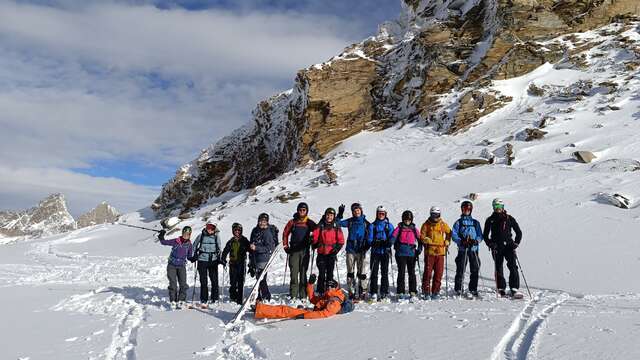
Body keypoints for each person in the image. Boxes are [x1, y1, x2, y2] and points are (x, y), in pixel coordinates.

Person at [255, 275, 349, 320]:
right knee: (285, 309)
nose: (327, 288)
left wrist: (304, 315)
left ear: (335, 287)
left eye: (330, 287)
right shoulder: (329, 295)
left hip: (311, 314)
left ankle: (260, 310)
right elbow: (313, 299)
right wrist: (310, 284)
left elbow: (323, 314)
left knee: (286, 310)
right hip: (311, 311)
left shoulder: (335, 301)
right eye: (327, 286)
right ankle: (261, 309)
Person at [483, 198, 523, 298]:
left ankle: (514, 288)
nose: (498, 209)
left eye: (499, 207)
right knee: (498, 267)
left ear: (503, 207)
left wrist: (516, 243)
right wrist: (490, 244)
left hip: (509, 246)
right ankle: (501, 288)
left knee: (513, 266)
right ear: (493, 207)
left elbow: (518, 232)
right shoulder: (490, 220)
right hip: (496, 247)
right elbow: (485, 235)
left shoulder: (509, 218)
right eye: (496, 207)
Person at [337, 202, 373, 300]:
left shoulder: (366, 223)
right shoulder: (350, 221)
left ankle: (363, 290)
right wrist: (339, 214)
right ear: (352, 212)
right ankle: (351, 291)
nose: (357, 212)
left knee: (362, 272)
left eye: (358, 210)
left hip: (361, 250)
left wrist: (367, 245)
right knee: (350, 272)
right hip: (351, 250)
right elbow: (337, 223)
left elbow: (370, 236)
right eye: (354, 210)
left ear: (361, 210)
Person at [282, 202, 317, 299]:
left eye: (304, 210)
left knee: (303, 273)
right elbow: (285, 234)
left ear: (306, 211)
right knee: (294, 273)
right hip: (294, 251)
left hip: (305, 251)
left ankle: (303, 295)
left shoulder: (309, 222)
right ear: (297, 210)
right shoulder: (292, 222)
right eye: (300, 210)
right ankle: (293, 294)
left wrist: (313, 241)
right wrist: (286, 246)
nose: (302, 211)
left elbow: (318, 232)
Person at [452, 201, 484, 297]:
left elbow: (480, 235)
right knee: (461, 269)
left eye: (468, 209)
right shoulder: (459, 222)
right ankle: (458, 288)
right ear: (462, 210)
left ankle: (473, 288)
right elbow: (454, 235)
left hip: (473, 249)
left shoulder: (475, 222)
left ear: (471, 210)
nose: (467, 211)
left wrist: (476, 241)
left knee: (475, 269)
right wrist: (461, 241)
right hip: (463, 249)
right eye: (465, 209)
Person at [419, 206, 452, 299]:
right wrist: (425, 239)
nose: (435, 217)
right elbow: (422, 235)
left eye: (436, 215)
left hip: (440, 252)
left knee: (438, 274)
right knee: (428, 273)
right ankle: (426, 292)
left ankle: (435, 292)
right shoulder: (426, 224)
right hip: (430, 252)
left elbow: (449, 232)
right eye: (433, 215)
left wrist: (447, 241)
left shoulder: (442, 224)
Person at [158, 226, 194, 309]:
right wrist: (161, 236)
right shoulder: (176, 241)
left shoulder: (189, 245)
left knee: (183, 284)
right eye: (184, 234)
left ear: (190, 235)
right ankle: (173, 301)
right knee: (173, 284)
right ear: (182, 233)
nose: (186, 236)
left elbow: (189, 256)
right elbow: (164, 242)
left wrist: (192, 258)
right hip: (172, 265)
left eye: (188, 234)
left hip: (181, 266)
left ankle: (181, 300)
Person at [311, 208, 345, 294]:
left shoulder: (336, 226)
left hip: (331, 254)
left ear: (333, 216)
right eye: (328, 215)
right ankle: (320, 290)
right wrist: (313, 242)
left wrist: (336, 249)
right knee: (322, 273)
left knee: (330, 273)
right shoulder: (321, 225)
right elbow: (315, 235)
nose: (329, 217)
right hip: (322, 253)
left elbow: (341, 241)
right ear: (325, 215)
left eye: (331, 215)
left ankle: (329, 290)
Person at [391, 210, 422, 299]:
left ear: (411, 219)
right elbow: (393, 237)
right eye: (406, 219)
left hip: (411, 254)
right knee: (401, 272)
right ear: (403, 219)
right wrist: (390, 244)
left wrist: (419, 249)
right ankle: (400, 291)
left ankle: (413, 291)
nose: (407, 221)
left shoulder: (414, 229)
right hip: (401, 253)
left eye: (409, 219)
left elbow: (420, 240)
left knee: (411, 272)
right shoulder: (399, 228)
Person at [190, 222, 222, 307]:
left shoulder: (216, 237)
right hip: (202, 260)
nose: (209, 229)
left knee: (214, 281)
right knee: (203, 281)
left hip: (213, 261)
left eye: (212, 228)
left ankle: (214, 298)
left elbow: (219, 248)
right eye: (208, 227)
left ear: (214, 229)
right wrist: (194, 255)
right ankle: (204, 299)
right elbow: (194, 246)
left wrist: (220, 258)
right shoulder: (201, 236)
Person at [249, 213, 279, 301]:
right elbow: (252, 241)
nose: (262, 223)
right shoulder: (255, 230)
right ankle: (260, 296)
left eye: (264, 221)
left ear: (267, 222)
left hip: (263, 259)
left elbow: (269, 248)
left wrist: (256, 248)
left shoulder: (267, 233)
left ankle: (266, 296)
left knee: (261, 279)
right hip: (256, 259)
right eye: (261, 221)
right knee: (259, 279)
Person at [368, 205, 394, 301]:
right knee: (374, 273)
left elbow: (392, 237)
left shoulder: (389, 225)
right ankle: (373, 292)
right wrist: (374, 242)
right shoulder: (372, 225)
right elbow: (369, 239)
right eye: (379, 213)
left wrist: (388, 243)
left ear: (385, 214)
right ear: (377, 214)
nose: (381, 215)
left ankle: (384, 291)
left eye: (383, 213)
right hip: (375, 252)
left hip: (385, 252)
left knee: (384, 273)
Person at [221, 223, 250, 305]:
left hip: (241, 264)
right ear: (233, 231)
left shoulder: (244, 240)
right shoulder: (231, 241)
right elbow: (225, 250)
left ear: (241, 231)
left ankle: (240, 299)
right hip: (233, 263)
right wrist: (223, 259)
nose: (237, 232)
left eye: (238, 230)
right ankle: (233, 296)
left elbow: (250, 250)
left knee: (241, 281)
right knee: (233, 281)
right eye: (235, 230)